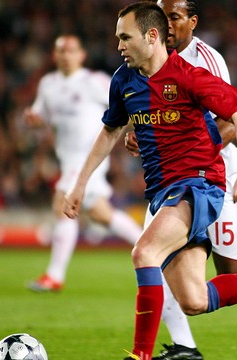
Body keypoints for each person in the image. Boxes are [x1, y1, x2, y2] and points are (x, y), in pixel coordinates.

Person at [63, 3, 237, 359]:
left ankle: (140, 356)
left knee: (144, 252)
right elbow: (110, 130)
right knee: (194, 300)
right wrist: (79, 185)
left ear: (151, 36)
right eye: (118, 38)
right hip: (163, 193)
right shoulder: (124, 80)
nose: (119, 45)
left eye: (125, 37)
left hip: (198, 185)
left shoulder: (189, 74)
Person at [24, 35, 143, 292]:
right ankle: (149, 247)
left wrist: (136, 128)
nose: (66, 55)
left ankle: (55, 276)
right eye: (61, 51)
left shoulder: (95, 81)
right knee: (101, 214)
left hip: (91, 158)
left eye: (71, 51)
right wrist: (35, 121)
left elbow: (127, 104)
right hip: (68, 160)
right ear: (55, 56)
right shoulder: (48, 84)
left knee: (62, 204)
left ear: (81, 55)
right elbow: (41, 116)